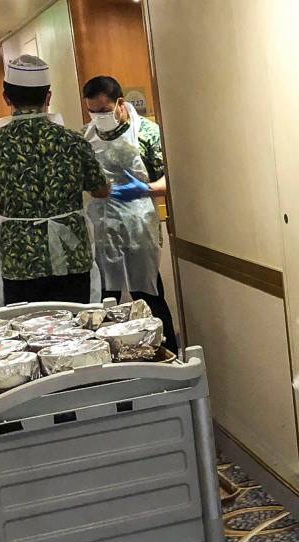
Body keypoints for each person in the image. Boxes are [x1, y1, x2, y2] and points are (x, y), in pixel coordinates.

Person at [0, 55, 110, 306]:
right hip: (71, 256)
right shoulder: (73, 141)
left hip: (20, 260)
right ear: (48, 97)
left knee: (26, 332)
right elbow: (101, 189)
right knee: (75, 330)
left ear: (6, 98)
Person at [82, 75, 178, 353]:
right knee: (104, 299)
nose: (98, 117)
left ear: (119, 103)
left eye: (103, 110)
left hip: (139, 226)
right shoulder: (85, 137)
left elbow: (171, 179)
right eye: (92, 111)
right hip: (101, 228)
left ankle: (165, 352)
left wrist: (145, 189)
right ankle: (108, 358)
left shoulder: (147, 132)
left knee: (148, 295)